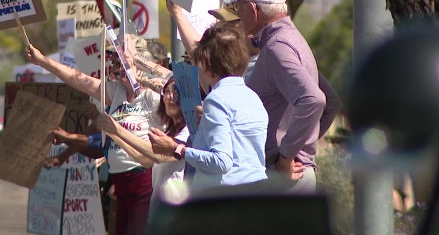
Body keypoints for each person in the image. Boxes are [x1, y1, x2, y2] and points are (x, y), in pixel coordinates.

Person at [26, 35, 160, 235]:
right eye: (115, 62)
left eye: (122, 61)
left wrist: (135, 63)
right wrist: (43, 61)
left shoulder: (153, 97)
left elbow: (169, 84)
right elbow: (78, 80)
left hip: (143, 180)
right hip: (120, 180)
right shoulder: (116, 92)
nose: (116, 66)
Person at [223, 0, 331, 193]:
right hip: (287, 174)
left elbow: (313, 99)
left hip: (284, 176)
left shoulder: (277, 47)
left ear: (253, 9)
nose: (238, 15)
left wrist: (285, 157)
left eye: (238, 7)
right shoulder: (287, 39)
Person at [148, 21, 268, 194]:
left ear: (205, 61)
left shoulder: (216, 100)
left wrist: (176, 148)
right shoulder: (252, 97)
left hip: (225, 200)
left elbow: (222, 162)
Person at [94, 77, 190, 205]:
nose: (170, 97)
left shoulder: (188, 131)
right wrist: (113, 134)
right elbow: (145, 160)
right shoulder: (169, 132)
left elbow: (158, 156)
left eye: (176, 92)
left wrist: (118, 130)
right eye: (167, 91)